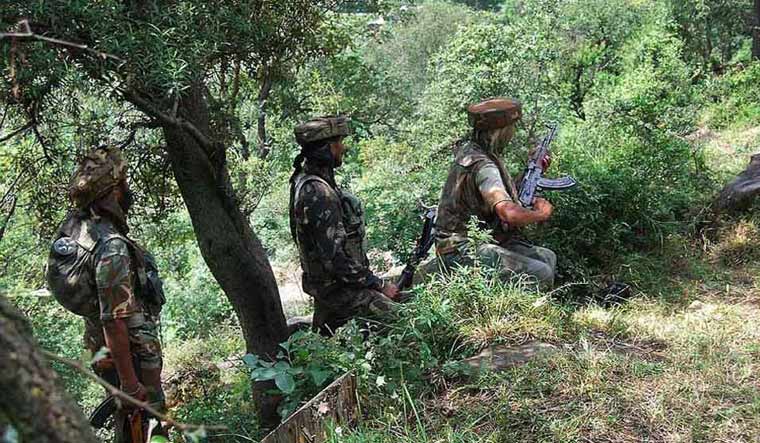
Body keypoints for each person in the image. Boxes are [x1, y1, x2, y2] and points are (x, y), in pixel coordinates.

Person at [48, 147, 167, 441]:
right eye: (123, 183)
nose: (128, 190)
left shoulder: (79, 224)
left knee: (130, 423)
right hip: (132, 358)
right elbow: (114, 320)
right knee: (146, 426)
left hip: (107, 350)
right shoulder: (110, 246)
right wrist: (130, 383)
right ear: (112, 192)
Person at [289, 116, 399, 336]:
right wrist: (378, 285)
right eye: (338, 142)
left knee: (326, 345)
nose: (343, 148)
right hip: (339, 290)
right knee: (403, 322)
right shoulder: (318, 193)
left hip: (330, 288)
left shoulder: (305, 182)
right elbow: (335, 260)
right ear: (326, 149)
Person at [432, 98, 557, 287]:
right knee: (541, 272)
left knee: (548, 257)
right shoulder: (483, 165)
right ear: (501, 130)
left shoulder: (476, 152)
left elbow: (498, 194)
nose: (513, 133)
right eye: (512, 128)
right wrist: (541, 213)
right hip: (460, 248)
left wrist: (531, 171)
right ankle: (510, 313)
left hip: (484, 238)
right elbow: (508, 213)